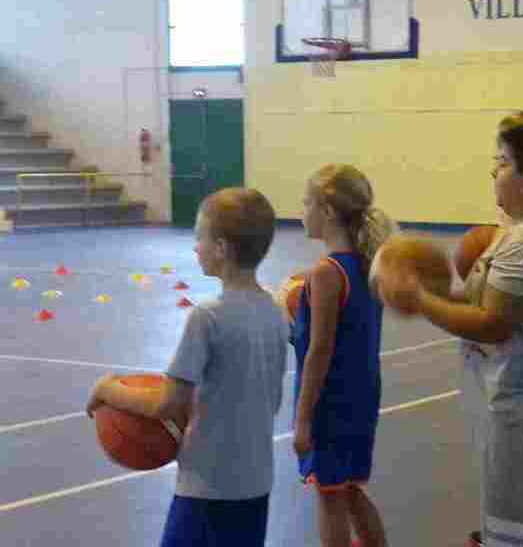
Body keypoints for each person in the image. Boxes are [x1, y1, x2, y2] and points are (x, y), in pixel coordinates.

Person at [377, 124, 523, 547]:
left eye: (502, 163)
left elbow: (493, 323)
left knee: (516, 533)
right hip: (518, 403)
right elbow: (484, 300)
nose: (493, 173)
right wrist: (432, 291)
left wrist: (418, 299)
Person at [87, 188, 288, 547]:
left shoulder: (207, 316)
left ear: (221, 248)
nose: (195, 247)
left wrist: (108, 389)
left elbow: (166, 403)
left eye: (200, 237)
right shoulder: (275, 312)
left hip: (208, 485)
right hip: (256, 481)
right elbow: (271, 400)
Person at [293, 164, 395, 546]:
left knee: (330, 496)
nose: (302, 211)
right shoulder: (370, 267)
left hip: (330, 401)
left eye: (307, 203)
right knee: (349, 490)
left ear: (327, 211)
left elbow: (319, 351)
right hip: (362, 396)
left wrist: (303, 418)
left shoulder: (326, 273)